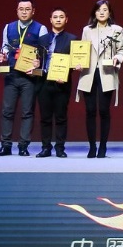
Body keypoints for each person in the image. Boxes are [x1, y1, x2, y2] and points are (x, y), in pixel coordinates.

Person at [0, 0, 48, 156]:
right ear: (17, 11)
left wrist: (39, 62)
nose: (24, 12)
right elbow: (5, 46)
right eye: (21, 9)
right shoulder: (8, 27)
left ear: (33, 11)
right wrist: (3, 55)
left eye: (27, 9)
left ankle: (23, 146)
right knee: (7, 111)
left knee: (27, 112)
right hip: (11, 75)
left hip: (29, 77)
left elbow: (44, 52)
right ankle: (6, 145)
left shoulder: (41, 28)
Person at [77, 0, 123, 158]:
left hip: (107, 72)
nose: (102, 12)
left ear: (109, 13)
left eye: (105, 10)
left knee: (104, 110)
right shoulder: (87, 30)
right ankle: (92, 146)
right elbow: (81, 50)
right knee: (90, 111)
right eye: (98, 10)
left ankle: (103, 146)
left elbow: (122, 49)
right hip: (88, 73)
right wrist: (78, 62)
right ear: (94, 13)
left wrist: (118, 57)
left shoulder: (117, 29)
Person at [35, 8, 75, 158]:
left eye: (61, 17)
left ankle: (60, 148)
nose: (58, 19)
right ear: (50, 20)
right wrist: (35, 63)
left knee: (61, 117)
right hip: (44, 81)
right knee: (45, 117)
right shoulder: (42, 39)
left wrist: (72, 68)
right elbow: (37, 59)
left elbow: (74, 61)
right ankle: (46, 147)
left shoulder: (72, 39)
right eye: (55, 17)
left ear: (66, 20)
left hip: (62, 82)